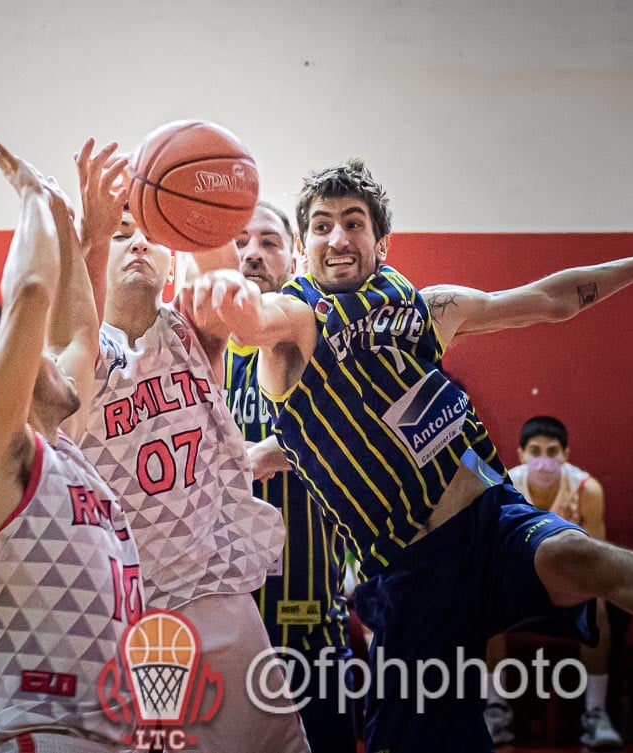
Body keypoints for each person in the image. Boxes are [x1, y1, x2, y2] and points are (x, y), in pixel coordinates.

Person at [191, 158, 633, 753]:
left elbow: (551, 299)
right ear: (303, 248)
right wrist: (223, 279)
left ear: (382, 241)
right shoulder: (299, 320)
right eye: (322, 226)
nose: (339, 238)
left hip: (490, 520)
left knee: (576, 554)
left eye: (354, 222)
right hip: (410, 572)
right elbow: (253, 322)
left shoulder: (427, 310)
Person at [76, 154, 307, 749]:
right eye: (122, 236)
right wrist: (94, 229)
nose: (135, 246)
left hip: (215, 584)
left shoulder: (189, 331)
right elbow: (66, 313)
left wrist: (200, 191)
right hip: (123, 603)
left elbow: (218, 269)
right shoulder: (76, 354)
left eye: (147, 237)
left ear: (169, 257)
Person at [0, 137, 143, 753]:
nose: (51, 356)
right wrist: (31, 198)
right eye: (32, 353)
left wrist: (79, 234)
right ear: (6, 374)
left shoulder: (57, 449)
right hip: (31, 735)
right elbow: (32, 297)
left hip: (101, 733)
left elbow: (79, 332)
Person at [225, 201, 357, 753]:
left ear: (297, 255)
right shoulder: (190, 352)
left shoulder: (328, 340)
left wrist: (256, 456)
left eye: (269, 242)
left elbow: (343, 437)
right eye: (239, 241)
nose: (252, 253)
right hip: (220, 611)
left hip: (308, 610)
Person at [481, 416, 622, 748]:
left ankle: (596, 713)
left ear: (566, 454)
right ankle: (496, 708)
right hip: (519, 583)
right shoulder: (504, 489)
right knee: (485, 600)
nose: (543, 459)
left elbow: (597, 563)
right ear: (520, 454)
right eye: (535, 450)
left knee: (598, 607)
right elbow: (494, 559)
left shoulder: (587, 491)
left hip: (571, 587)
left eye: (552, 450)